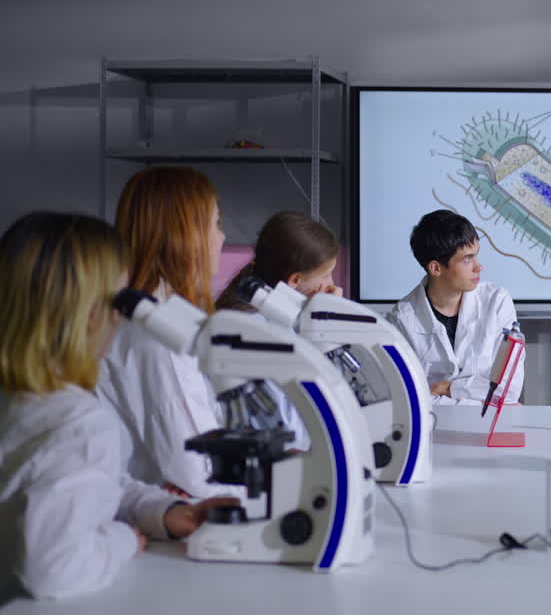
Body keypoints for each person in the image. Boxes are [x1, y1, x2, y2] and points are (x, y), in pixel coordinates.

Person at [0, 212, 235, 599]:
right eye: (119, 302)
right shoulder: (76, 420)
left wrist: (162, 511)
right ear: (92, 316)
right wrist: (123, 538)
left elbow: (79, 481)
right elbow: (54, 570)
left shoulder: (28, 398)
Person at [97, 167, 234, 498]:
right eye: (215, 224)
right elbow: (197, 475)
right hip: (155, 525)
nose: (222, 238)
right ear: (184, 235)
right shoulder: (159, 336)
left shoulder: (159, 319)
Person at [213, 210, 343, 450]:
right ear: (294, 280)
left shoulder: (281, 323)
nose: (334, 285)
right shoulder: (252, 334)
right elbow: (290, 429)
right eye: (326, 274)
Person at [387, 209, 524, 405]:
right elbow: (408, 399)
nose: (479, 266)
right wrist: (484, 397)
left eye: (476, 255)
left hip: (489, 428)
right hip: (435, 430)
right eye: (467, 259)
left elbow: (509, 390)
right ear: (436, 268)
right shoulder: (402, 320)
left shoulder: (497, 301)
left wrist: (446, 388)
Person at [215, 210, 341, 311]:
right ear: (295, 280)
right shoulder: (264, 325)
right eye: (326, 275)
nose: (332, 283)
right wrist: (325, 316)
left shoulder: (246, 304)